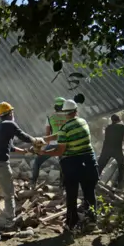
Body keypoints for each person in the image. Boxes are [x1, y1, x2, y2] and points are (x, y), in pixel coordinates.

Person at [39, 99, 99, 231]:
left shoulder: (64, 129)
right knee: (89, 192)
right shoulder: (83, 122)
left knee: (71, 195)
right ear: (76, 111)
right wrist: (45, 139)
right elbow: (61, 135)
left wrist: (43, 151)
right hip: (89, 162)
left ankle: (71, 224)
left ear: (65, 113)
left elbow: (60, 150)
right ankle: (93, 221)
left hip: (72, 164)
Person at [31, 97, 67, 189]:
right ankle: (62, 187)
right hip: (66, 145)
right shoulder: (69, 118)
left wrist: (41, 148)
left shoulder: (50, 118)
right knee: (63, 165)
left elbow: (47, 135)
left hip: (53, 144)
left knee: (37, 162)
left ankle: (33, 183)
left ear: (55, 107)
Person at [97, 114, 124, 187]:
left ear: (111, 120)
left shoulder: (108, 127)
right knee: (121, 165)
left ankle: (95, 179)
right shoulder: (123, 127)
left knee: (101, 165)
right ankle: (120, 182)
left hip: (106, 149)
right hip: (117, 149)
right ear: (119, 119)